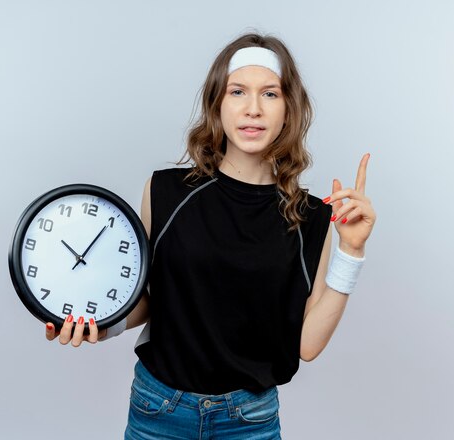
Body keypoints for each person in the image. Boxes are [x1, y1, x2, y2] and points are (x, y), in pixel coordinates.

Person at [45, 32, 376, 439]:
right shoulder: (165, 191)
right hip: (159, 410)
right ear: (217, 104)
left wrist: (352, 250)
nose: (253, 109)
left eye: (270, 94)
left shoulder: (312, 217)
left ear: (288, 110)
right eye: (238, 91)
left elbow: (307, 345)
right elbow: (146, 299)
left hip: (249, 421)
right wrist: (99, 323)